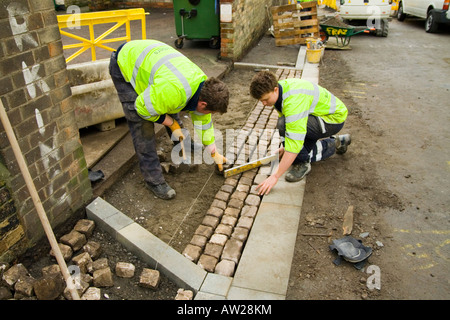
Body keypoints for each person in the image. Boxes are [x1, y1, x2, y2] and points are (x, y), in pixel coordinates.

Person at [109, 39, 229, 200]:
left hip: (157, 67)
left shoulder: (202, 87)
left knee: (169, 104)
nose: (211, 114)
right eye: (212, 111)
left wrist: (214, 152)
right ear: (203, 103)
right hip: (125, 63)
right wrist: (171, 123)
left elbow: (204, 120)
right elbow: (142, 108)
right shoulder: (173, 90)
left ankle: (183, 143)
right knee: (142, 125)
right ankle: (153, 180)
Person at [249, 70, 351, 195]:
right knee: (284, 125)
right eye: (261, 101)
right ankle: (339, 142)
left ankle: (324, 150)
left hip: (332, 120)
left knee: (295, 151)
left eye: (265, 99)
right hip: (317, 116)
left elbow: (294, 144)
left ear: (275, 90)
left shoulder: (293, 102)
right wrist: (284, 147)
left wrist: (275, 176)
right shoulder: (281, 90)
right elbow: (290, 127)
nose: (264, 104)